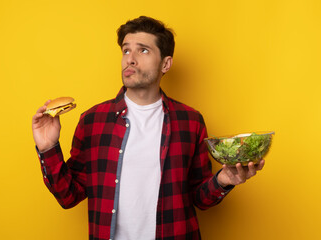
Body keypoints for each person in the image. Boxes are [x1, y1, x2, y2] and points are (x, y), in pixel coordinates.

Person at [32, 16, 265, 240]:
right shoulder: (93, 121)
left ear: (166, 63)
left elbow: (199, 198)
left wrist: (223, 180)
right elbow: (68, 197)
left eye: (143, 50)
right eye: (126, 50)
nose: (130, 59)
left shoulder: (190, 121)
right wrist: (48, 148)